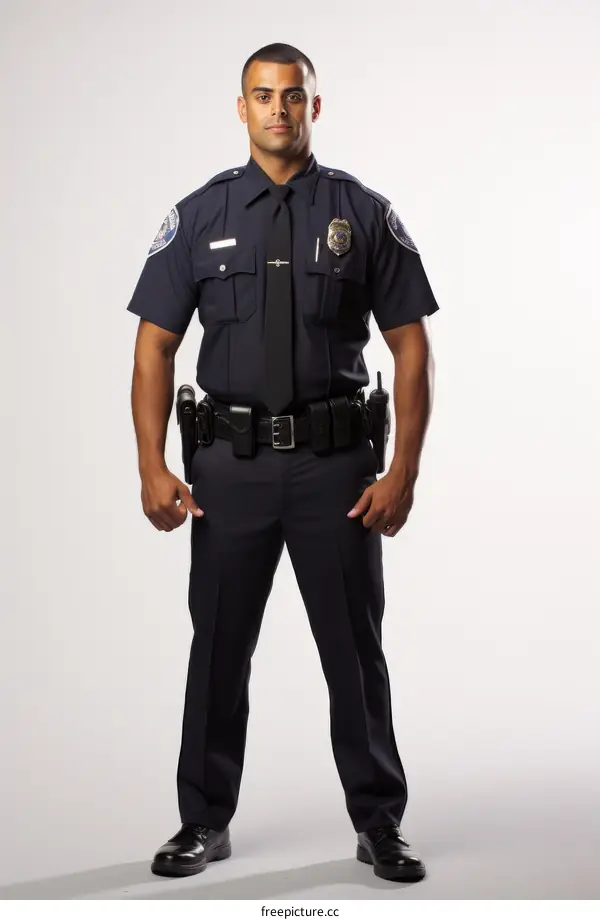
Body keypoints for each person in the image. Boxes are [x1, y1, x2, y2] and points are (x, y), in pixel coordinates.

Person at [126, 42, 440, 884]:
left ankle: (379, 824)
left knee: (354, 650)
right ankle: (202, 822)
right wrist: (153, 466)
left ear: (314, 106)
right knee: (218, 649)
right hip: (227, 469)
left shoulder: (362, 213)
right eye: (262, 95)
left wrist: (402, 469)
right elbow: (154, 347)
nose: (278, 109)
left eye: (293, 96)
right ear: (241, 108)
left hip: (336, 471)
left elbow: (411, 345)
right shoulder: (198, 216)